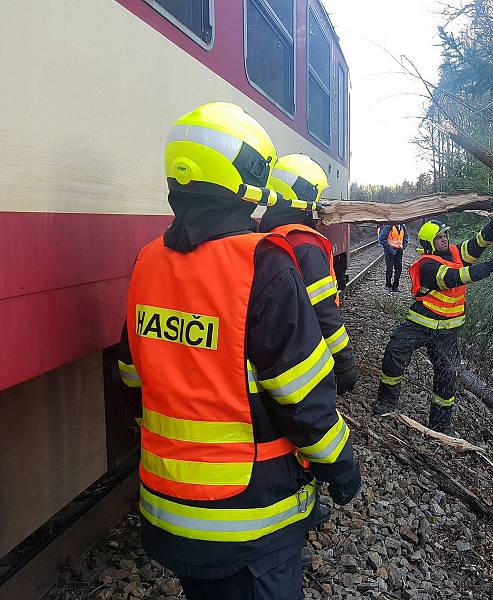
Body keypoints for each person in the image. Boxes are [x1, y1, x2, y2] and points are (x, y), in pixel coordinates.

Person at [117, 102, 361, 600]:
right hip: (249, 520)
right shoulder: (263, 266)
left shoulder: (147, 263)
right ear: (242, 180)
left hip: (169, 510)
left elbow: (131, 376)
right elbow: (303, 397)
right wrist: (341, 465)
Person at [372, 218, 493, 434]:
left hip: (447, 330)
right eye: (439, 237)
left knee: (447, 373)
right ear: (429, 243)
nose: (444, 239)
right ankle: (386, 402)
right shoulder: (427, 264)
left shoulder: (455, 252)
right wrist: (488, 268)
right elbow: (453, 278)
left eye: (445, 235)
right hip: (421, 322)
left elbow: (475, 244)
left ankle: (441, 424)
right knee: (395, 351)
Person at [258, 153, 357, 396]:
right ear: (304, 197)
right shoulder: (305, 245)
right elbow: (324, 312)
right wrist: (344, 361)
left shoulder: (267, 234)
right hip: (301, 344)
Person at [378, 222, 408, 291]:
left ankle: (395, 286)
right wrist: (388, 247)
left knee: (399, 268)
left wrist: (403, 246)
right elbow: (382, 238)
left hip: (399, 250)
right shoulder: (388, 226)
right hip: (389, 251)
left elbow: (405, 237)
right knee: (389, 268)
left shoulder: (402, 226)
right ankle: (388, 285)